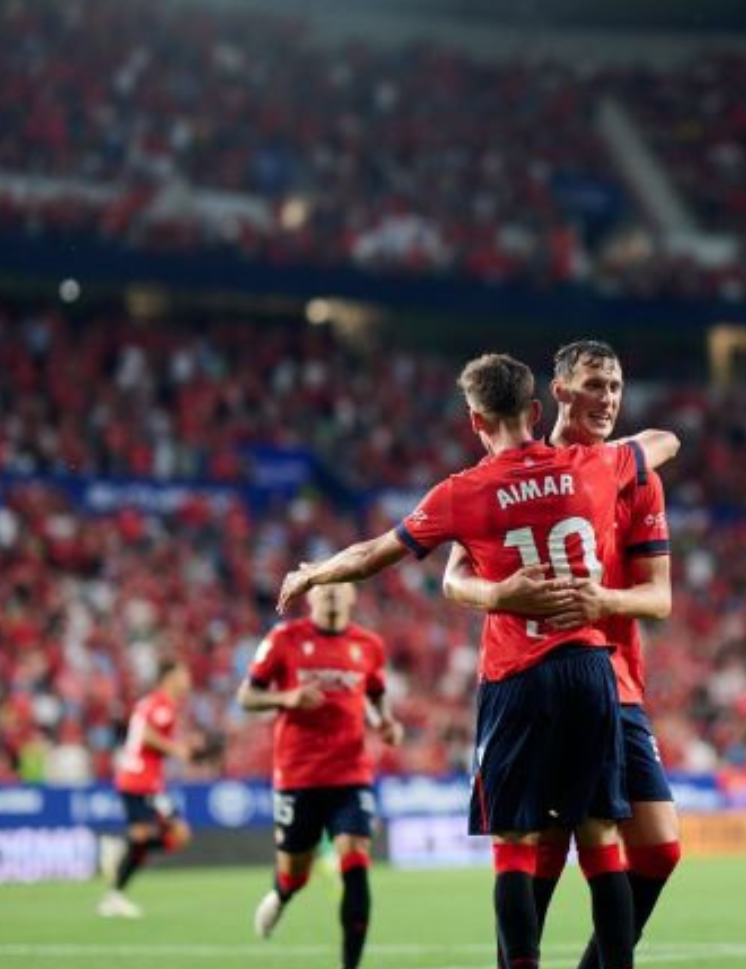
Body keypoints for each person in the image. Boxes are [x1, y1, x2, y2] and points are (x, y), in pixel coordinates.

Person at [276, 352, 679, 969]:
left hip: (519, 676)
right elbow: (660, 442)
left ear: (474, 420)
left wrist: (313, 573)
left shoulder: (464, 491)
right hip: (593, 669)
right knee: (599, 840)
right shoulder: (592, 465)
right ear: (539, 407)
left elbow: (373, 553)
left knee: (516, 846)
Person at [442, 341, 680, 969]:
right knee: (539, 850)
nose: (607, 399)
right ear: (559, 392)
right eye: (594, 385)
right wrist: (497, 593)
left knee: (659, 849)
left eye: (616, 387)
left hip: (613, 677)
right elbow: (453, 578)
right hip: (536, 675)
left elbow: (659, 600)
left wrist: (603, 601)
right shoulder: (515, 470)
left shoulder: (629, 476)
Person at [241, 582, 402, 969]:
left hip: (351, 774)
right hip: (298, 776)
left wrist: (385, 722)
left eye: (339, 585)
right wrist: (286, 698)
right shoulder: (284, 638)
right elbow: (247, 696)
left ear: (353, 595)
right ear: (310, 596)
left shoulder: (368, 645)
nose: (331, 592)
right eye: (323, 586)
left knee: (355, 861)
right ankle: (282, 893)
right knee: (296, 874)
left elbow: (376, 692)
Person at [98, 659, 196, 919]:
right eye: (183, 674)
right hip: (142, 781)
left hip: (137, 779)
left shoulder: (153, 703)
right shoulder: (161, 704)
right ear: (169, 678)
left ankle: (115, 895)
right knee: (179, 833)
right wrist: (176, 749)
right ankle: (122, 846)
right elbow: (146, 735)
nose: (188, 680)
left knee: (144, 839)